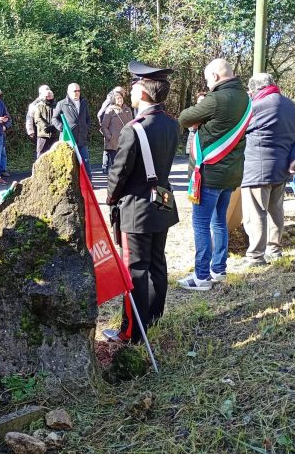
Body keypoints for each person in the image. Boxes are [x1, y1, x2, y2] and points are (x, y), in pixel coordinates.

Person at [103, 62, 179, 344]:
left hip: (136, 209)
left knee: (135, 270)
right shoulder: (172, 124)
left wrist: (110, 198)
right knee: (157, 264)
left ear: (143, 93)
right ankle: (154, 319)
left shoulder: (133, 129)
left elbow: (119, 173)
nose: (131, 90)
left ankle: (132, 333)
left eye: (134, 86)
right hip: (163, 202)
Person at [177, 58, 251, 291]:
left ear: (216, 77)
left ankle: (201, 277)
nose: (207, 83)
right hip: (230, 174)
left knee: (200, 224)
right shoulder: (245, 98)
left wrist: (201, 116)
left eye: (208, 79)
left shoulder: (217, 98)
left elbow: (184, 118)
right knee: (219, 222)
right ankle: (218, 270)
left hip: (210, 173)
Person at [241, 74, 295, 265]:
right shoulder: (292, 106)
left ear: (254, 90)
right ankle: (274, 250)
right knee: (275, 210)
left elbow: (237, 133)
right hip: (283, 169)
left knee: (255, 213)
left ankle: (255, 256)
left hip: (256, 169)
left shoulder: (254, 107)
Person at [52, 83, 92, 172]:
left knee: (85, 164)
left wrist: (86, 127)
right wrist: (63, 128)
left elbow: (88, 118)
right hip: (69, 140)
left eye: (78, 90)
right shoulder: (62, 104)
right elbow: (54, 118)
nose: (77, 93)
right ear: (68, 92)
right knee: (69, 165)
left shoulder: (83, 102)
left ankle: (89, 184)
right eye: (75, 91)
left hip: (82, 139)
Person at [100, 90, 134, 173]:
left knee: (126, 165)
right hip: (114, 142)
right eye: (118, 98)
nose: (120, 100)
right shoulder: (110, 110)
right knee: (116, 166)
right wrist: (109, 137)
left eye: (121, 98)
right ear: (114, 100)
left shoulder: (128, 109)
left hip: (126, 141)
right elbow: (104, 126)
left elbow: (132, 123)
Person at [97, 85, 124, 172]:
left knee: (108, 148)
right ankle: (105, 166)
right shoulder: (110, 100)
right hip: (109, 127)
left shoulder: (120, 102)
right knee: (109, 148)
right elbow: (101, 113)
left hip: (113, 128)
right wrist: (105, 129)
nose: (123, 94)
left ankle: (105, 167)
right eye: (122, 92)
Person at [32, 85, 58, 157]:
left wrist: (53, 126)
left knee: (54, 153)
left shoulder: (57, 105)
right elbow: (37, 118)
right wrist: (45, 127)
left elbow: (59, 117)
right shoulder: (39, 106)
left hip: (54, 134)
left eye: (50, 96)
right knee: (41, 153)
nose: (48, 98)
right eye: (47, 96)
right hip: (42, 134)